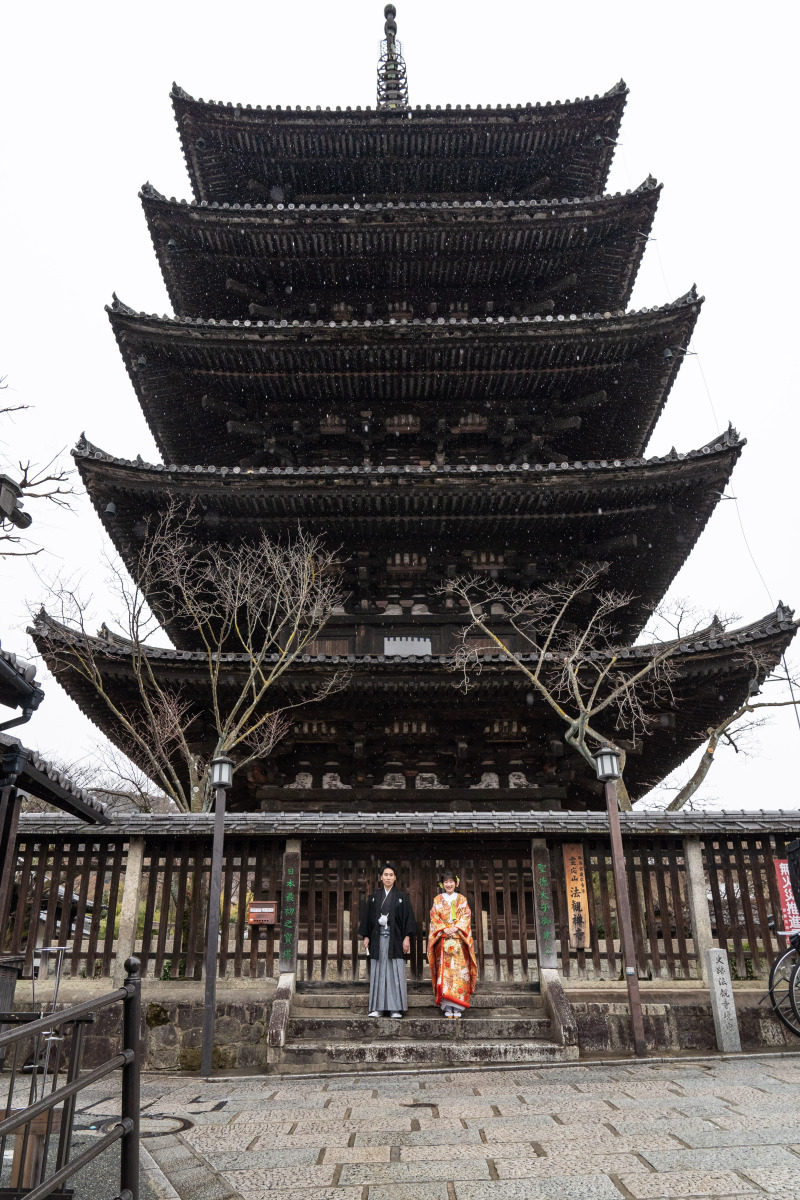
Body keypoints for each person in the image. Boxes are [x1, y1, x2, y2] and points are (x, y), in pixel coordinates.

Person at [359, 863, 417, 1018]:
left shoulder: (401, 897)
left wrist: (407, 937)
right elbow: (367, 918)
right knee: (378, 972)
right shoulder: (374, 897)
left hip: (395, 940)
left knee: (394, 973)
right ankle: (377, 1008)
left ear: (395, 878)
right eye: (386, 875)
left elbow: (408, 918)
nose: (388, 878)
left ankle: (395, 1008)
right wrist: (366, 936)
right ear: (381, 877)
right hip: (378, 939)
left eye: (391, 875)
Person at [427, 870, 477, 1018]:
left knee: (460, 973)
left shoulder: (462, 899)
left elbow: (466, 917)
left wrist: (456, 928)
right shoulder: (437, 900)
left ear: (456, 883)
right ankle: (447, 1006)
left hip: (459, 940)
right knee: (445, 974)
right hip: (443, 940)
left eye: (451, 882)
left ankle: (458, 1006)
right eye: (446, 882)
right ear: (442, 884)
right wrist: (444, 929)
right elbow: (434, 917)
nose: (449, 884)